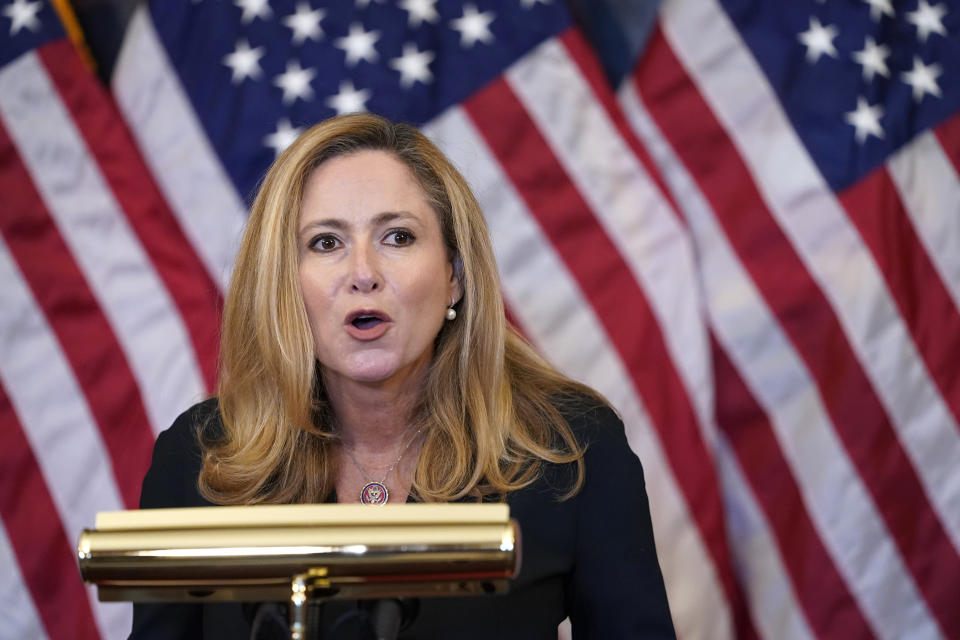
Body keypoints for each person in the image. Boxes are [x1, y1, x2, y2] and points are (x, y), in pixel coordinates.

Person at [130, 113, 675, 639]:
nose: (363, 273)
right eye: (326, 242)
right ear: (283, 284)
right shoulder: (199, 459)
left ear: (455, 278)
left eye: (397, 237)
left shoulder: (571, 448)